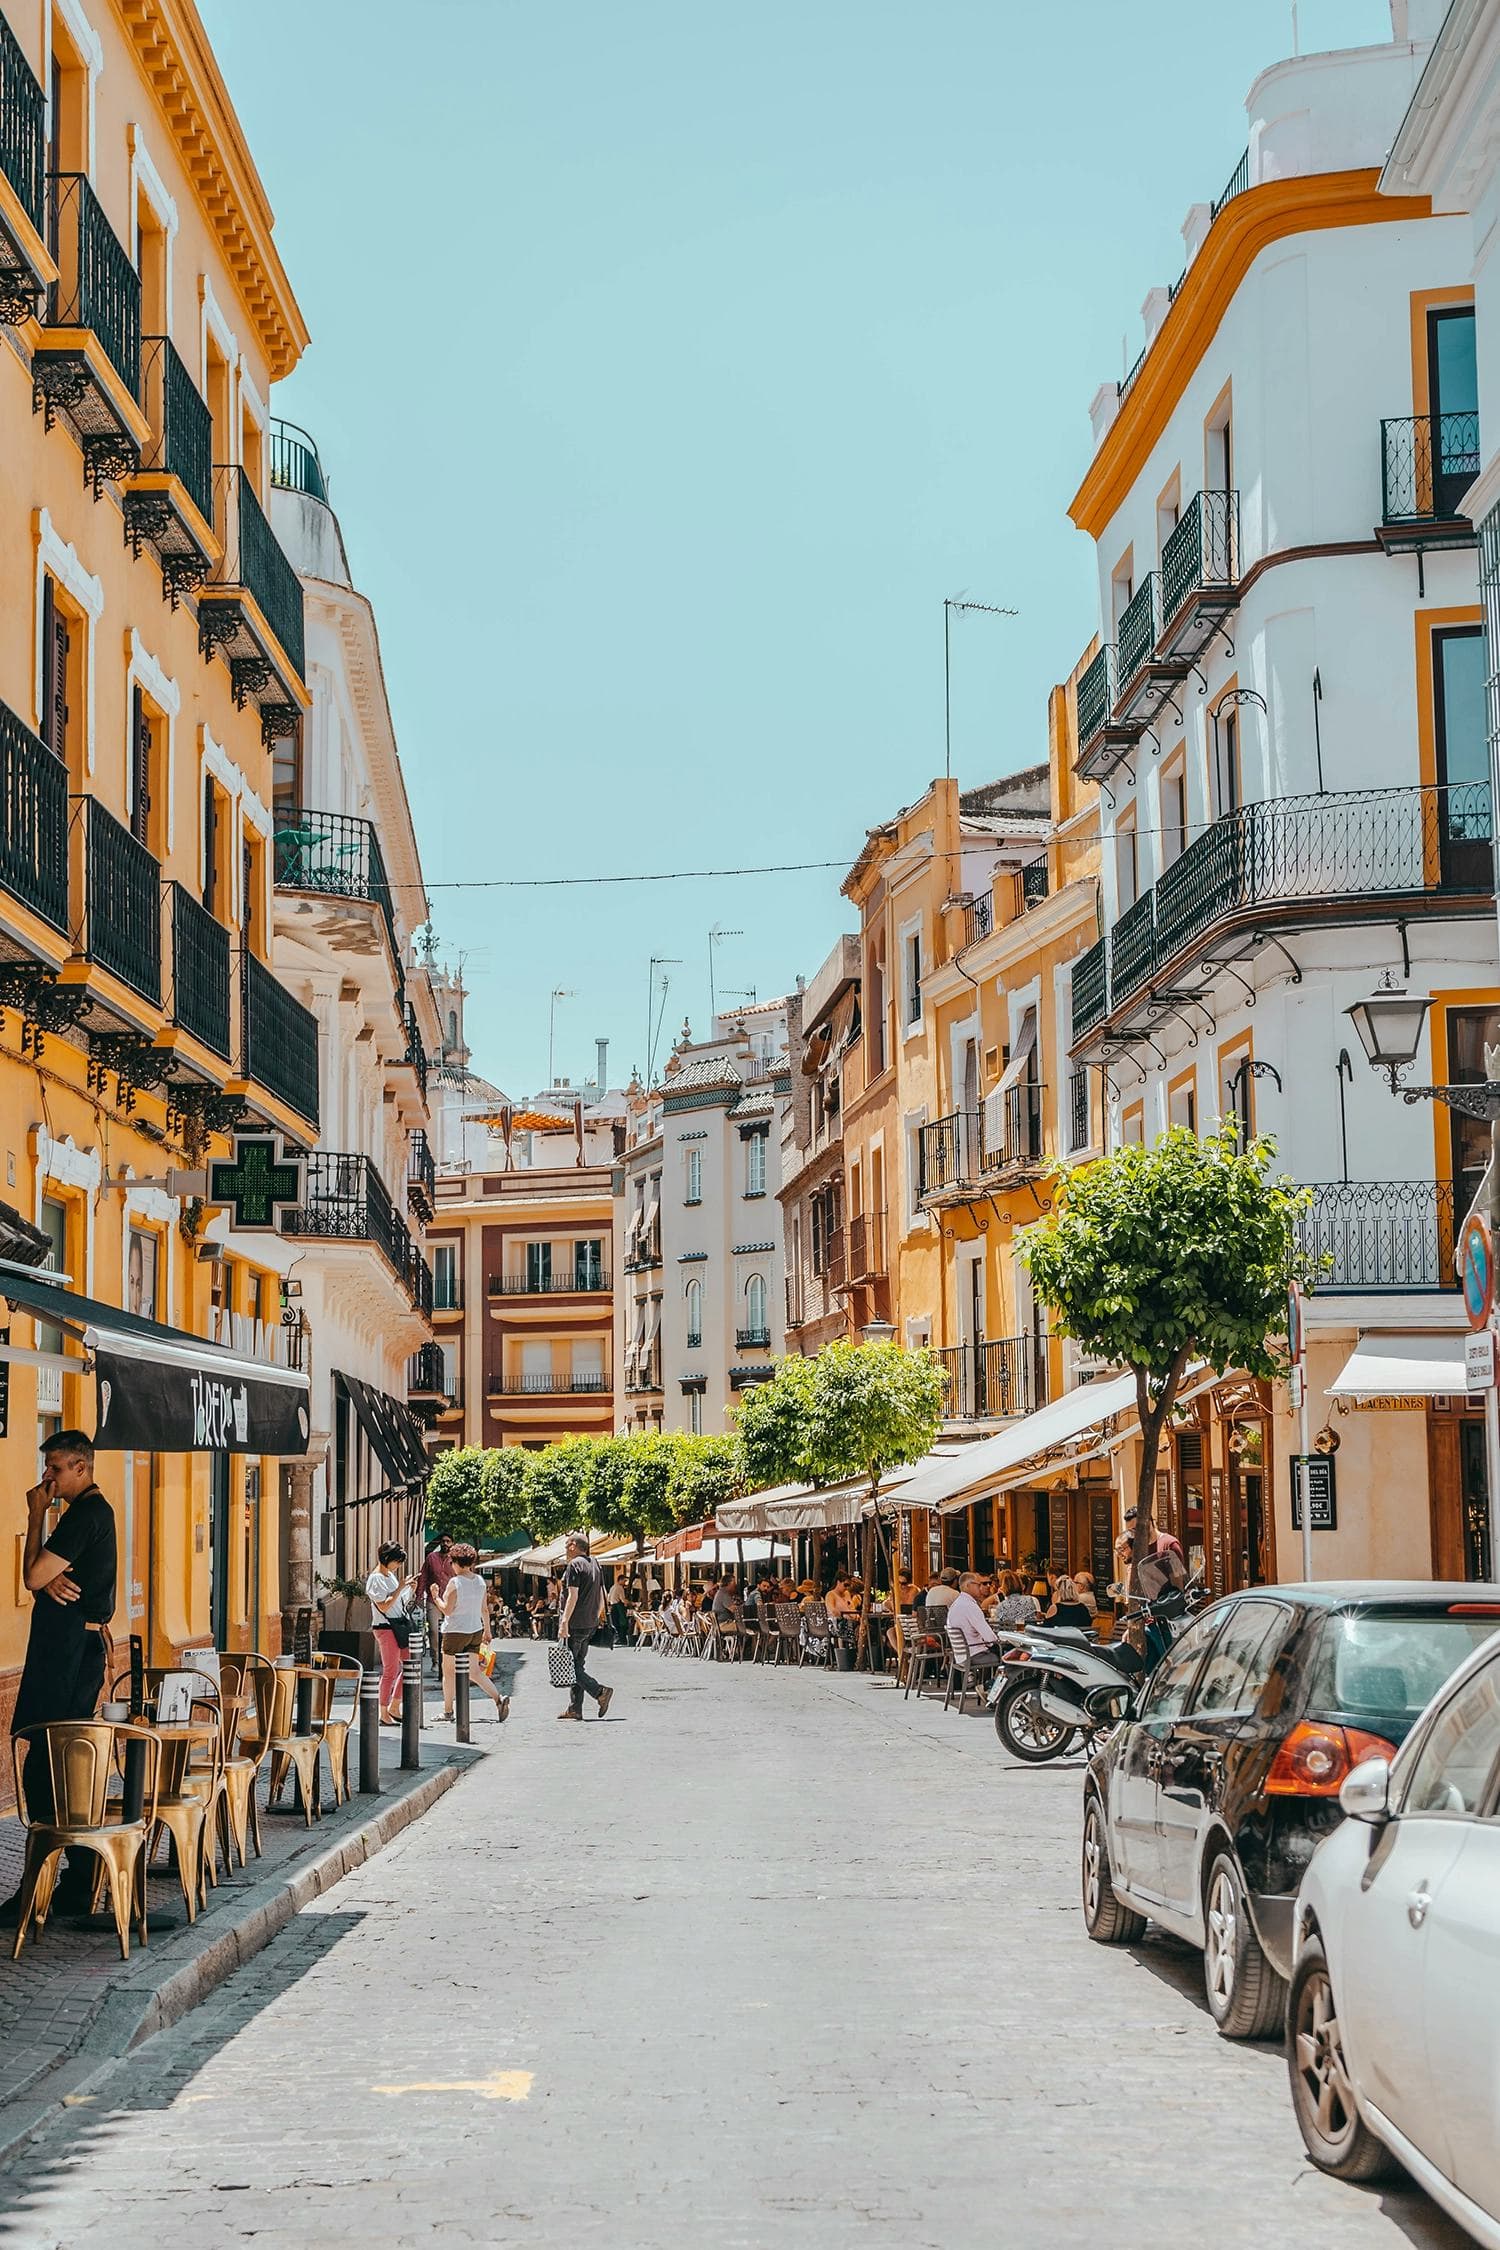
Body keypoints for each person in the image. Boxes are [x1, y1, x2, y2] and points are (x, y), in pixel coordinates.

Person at [0, 1432, 118, 1922]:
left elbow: (29, 1576)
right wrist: (46, 1573)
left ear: (81, 1467)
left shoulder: (87, 1513)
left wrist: (34, 1515)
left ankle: (49, 1886)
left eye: (56, 1467)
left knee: (49, 1767)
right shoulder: (83, 1515)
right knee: (54, 1765)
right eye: (47, 1466)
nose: (47, 1476)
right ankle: (68, 1879)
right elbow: (38, 1576)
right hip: (65, 1653)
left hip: (68, 1657)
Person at [436, 1544, 508, 1722]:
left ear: (456, 1563)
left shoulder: (455, 1583)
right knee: (475, 1672)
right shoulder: (480, 1581)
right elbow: (484, 1609)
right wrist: (488, 1631)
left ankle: (448, 1711)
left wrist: (435, 1596)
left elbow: (447, 1610)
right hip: (475, 1630)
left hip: (454, 1631)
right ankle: (498, 1699)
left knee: (449, 1672)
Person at [557, 1532, 614, 1722]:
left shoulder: (574, 1565)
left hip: (575, 1622)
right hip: (589, 1622)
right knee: (577, 1664)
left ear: (573, 1545)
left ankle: (600, 1692)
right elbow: (601, 1593)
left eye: (566, 1545)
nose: (565, 1549)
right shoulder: (595, 1563)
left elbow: (572, 1595)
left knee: (570, 1667)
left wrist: (564, 1621)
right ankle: (575, 1709)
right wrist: (596, 1616)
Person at [367, 1542, 416, 1724]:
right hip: (385, 1627)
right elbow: (384, 1605)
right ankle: (383, 1712)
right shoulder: (376, 1579)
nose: (399, 1566)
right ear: (387, 1559)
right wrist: (399, 1588)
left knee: (411, 1666)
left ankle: (395, 1706)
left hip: (399, 1626)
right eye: (397, 1561)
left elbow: (398, 1602)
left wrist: (410, 1589)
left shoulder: (390, 1577)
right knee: (390, 1670)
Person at [944, 1573, 1002, 1681]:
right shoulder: (970, 1606)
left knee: (996, 1651)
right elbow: (990, 1638)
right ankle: (990, 1688)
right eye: (978, 1584)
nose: (981, 1587)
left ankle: (985, 1686)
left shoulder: (956, 1604)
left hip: (960, 1655)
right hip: (974, 1655)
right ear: (968, 1586)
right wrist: (1000, 1642)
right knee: (1006, 1656)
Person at [415, 1533, 454, 1669]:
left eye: (448, 1541)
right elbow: (423, 1577)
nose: (445, 1543)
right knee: (433, 1630)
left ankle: (449, 1660)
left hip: (451, 1601)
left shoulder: (455, 1560)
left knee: (450, 1631)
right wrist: (418, 1596)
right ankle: (436, 1661)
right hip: (433, 1600)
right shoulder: (431, 1557)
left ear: (452, 1543)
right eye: (443, 1541)